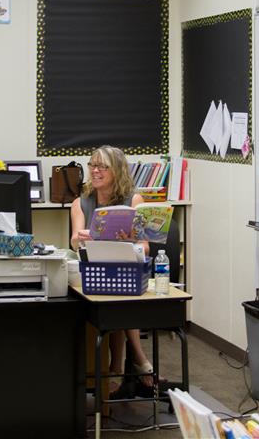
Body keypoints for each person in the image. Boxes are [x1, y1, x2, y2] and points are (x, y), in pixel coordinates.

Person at [70, 145, 162, 394]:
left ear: (117, 170)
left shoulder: (134, 201)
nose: (95, 171)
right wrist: (84, 238)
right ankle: (132, 360)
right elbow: (74, 241)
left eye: (102, 166)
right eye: (92, 165)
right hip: (93, 269)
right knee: (113, 295)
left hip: (126, 271)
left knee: (118, 292)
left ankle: (117, 366)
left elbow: (145, 247)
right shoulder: (80, 202)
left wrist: (128, 241)